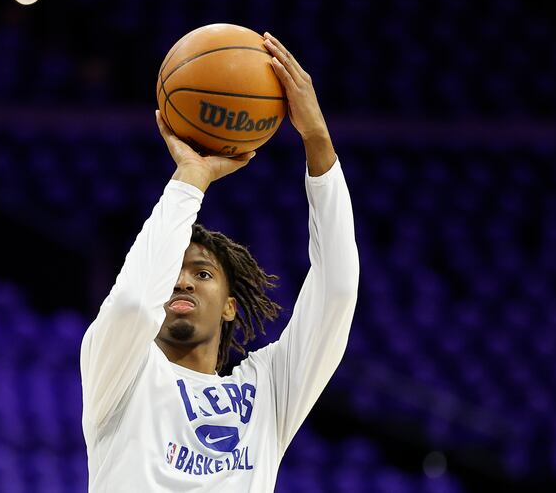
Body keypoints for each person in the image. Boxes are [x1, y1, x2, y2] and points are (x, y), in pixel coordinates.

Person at [80, 32, 360, 492]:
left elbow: (338, 291)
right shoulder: (119, 372)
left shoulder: (269, 389)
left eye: (202, 273)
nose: (182, 282)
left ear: (231, 305)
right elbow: (132, 303)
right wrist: (191, 178)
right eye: (172, 271)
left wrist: (317, 140)